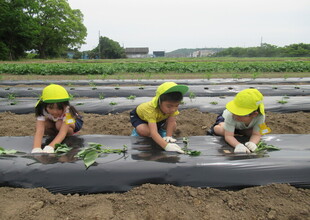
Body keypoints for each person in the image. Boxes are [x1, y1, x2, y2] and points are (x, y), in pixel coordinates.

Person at [130, 82, 189, 154]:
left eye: (176, 106)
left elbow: (171, 121)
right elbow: (153, 133)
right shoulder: (151, 110)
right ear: (159, 101)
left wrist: (169, 136)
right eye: (169, 106)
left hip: (158, 118)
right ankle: (137, 131)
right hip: (141, 118)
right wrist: (166, 146)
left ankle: (161, 132)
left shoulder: (171, 109)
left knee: (173, 125)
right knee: (146, 131)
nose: (173, 110)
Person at [207, 88, 271, 154]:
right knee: (221, 130)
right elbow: (229, 136)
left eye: (240, 114)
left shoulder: (260, 116)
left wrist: (252, 143)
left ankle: (239, 131)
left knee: (260, 132)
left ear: (254, 114)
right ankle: (230, 129)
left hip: (242, 126)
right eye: (235, 111)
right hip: (225, 120)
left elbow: (256, 134)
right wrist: (237, 145)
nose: (235, 116)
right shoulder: (231, 115)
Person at [31, 84, 83, 153]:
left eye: (59, 108)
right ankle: (56, 137)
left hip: (73, 122)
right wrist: (36, 148)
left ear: (65, 105)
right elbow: (40, 129)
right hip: (56, 120)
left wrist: (51, 146)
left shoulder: (68, 110)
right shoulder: (41, 108)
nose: (55, 112)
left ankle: (67, 137)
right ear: (45, 105)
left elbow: (63, 131)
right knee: (45, 125)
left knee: (59, 125)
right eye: (51, 108)